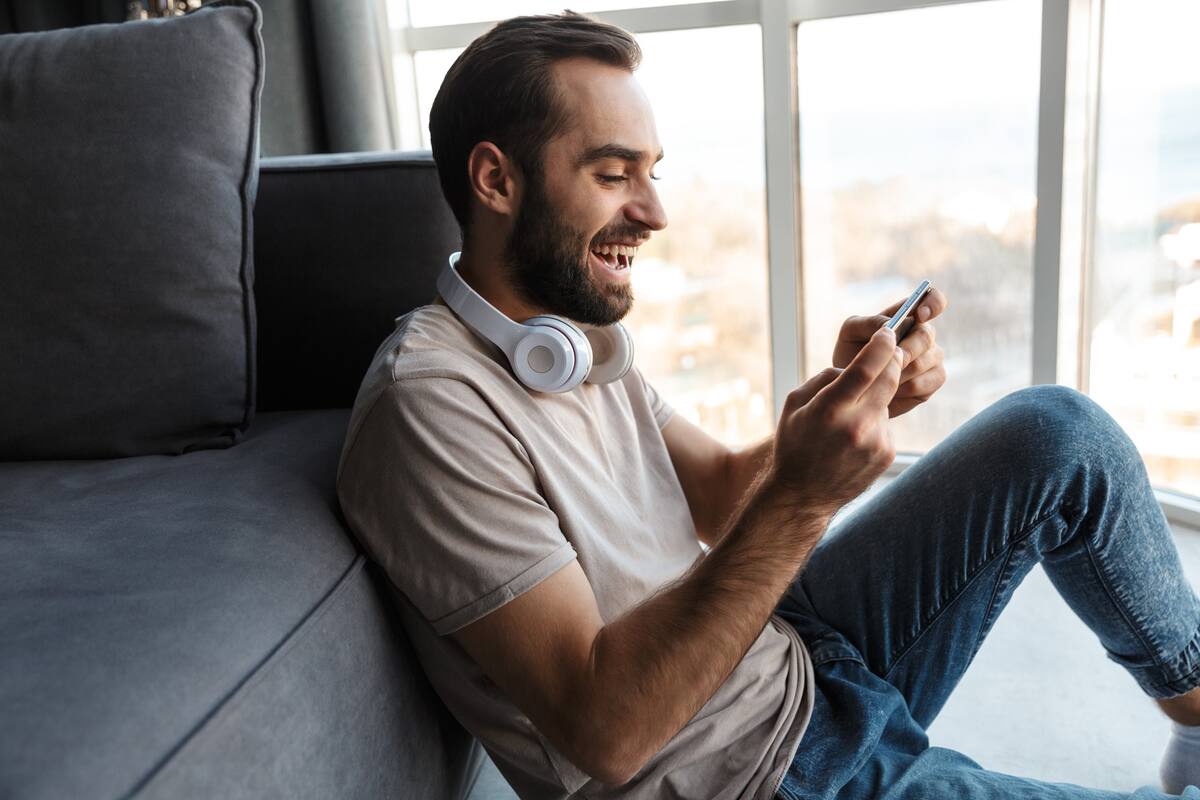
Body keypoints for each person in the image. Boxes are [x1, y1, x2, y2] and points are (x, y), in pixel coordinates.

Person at [335, 10, 1200, 799]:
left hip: (781, 652)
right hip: (752, 776)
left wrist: (841, 406)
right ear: (496, 179)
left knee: (1056, 435)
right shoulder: (431, 410)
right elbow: (609, 731)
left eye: (653, 172)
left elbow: (720, 495)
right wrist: (806, 493)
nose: (656, 211)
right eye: (613, 174)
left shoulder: (564, 344)